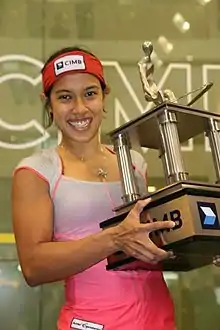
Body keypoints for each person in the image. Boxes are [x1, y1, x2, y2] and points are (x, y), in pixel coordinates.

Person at [12, 46, 177, 330]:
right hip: (92, 321)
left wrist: (201, 245)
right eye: (65, 97)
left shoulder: (134, 163)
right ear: (48, 103)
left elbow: (149, 245)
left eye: (90, 93)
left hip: (158, 319)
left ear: (104, 96)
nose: (79, 108)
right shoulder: (37, 170)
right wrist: (114, 238)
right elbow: (33, 266)